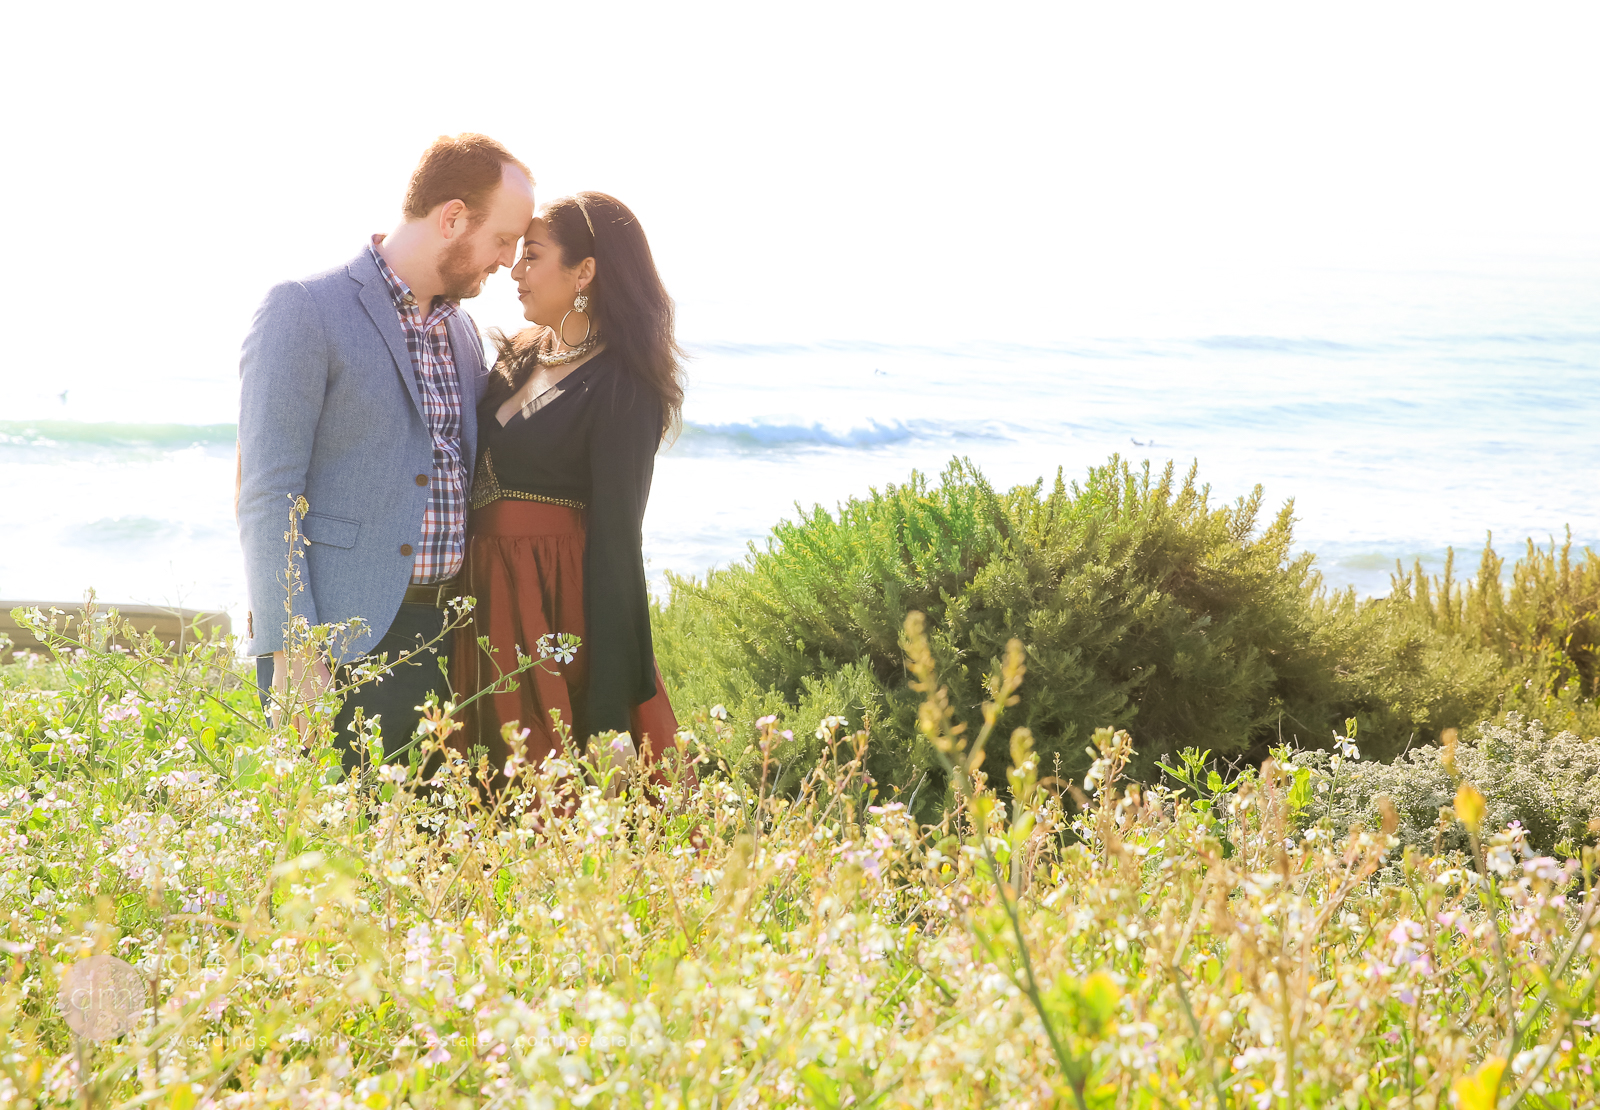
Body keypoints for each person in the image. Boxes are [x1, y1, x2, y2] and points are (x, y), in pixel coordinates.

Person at [237, 134, 535, 777]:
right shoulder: (305, 308)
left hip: (445, 638)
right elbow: (266, 491)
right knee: (325, 858)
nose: (510, 261)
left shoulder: (461, 332)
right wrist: (292, 650)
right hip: (334, 645)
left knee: (414, 862)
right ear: (452, 218)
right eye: (504, 239)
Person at [452, 191, 683, 789]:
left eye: (532, 255)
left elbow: (616, 542)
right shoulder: (521, 356)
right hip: (483, 599)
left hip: (552, 609)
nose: (515, 271)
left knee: (546, 800)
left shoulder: (623, 387)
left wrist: (609, 712)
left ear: (584, 272)